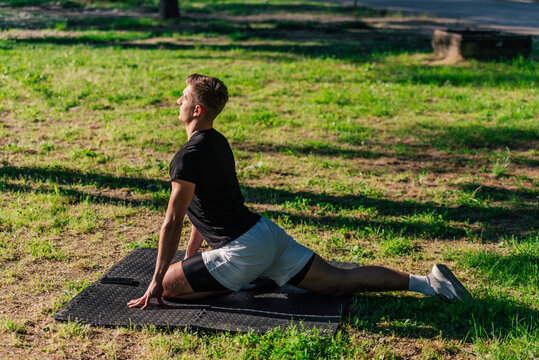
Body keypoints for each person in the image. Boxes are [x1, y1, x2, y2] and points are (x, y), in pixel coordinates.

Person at [127, 74, 471, 310]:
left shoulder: (186, 158)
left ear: (196, 110)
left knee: (171, 288)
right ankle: (428, 283)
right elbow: (207, 210)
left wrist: (157, 280)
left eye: (183, 97)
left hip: (243, 251)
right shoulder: (217, 143)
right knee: (339, 280)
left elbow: (172, 222)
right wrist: (194, 258)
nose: (178, 101)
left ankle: (249, 276)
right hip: (265, 235)